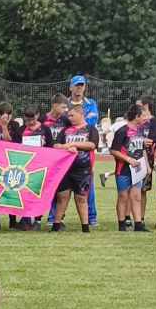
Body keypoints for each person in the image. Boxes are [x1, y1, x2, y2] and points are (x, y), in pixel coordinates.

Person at [49, 102, 96, 232]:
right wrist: (66, 147)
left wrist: (74, 144)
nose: (69, 118)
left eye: (72, 115)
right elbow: (56, 145)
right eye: (68, 116)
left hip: (82, 169)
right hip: (65, 168)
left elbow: (92, 145)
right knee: (62, 196)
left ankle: (85, 227)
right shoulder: (65, 130)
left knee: (81, 197)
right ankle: (56, 225)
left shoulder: (90, 129)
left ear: (81, 114)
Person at [109, 106, 150, 232]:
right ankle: (121, 224)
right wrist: (128, 159)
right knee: (123, 196)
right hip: (123, 170)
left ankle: (138, 224)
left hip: (137, 169)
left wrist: (147, 165)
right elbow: (114, 150)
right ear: (137, 116)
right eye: (143, 116)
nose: (146, 118)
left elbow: (142, 149)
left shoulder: (140, 130)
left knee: (136, 196)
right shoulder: (122, 131)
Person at [67, 75, 101, 226]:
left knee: (88, 183)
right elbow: (64, 122)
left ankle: (91, 217)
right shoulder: (65, 103)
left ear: (85, 87)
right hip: (68, 147)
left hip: (86, 148)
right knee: (62, 184)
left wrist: (76, 121)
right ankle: (55, 218)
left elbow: (91, 122)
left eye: (82, 85)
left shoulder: (91, 103)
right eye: (77, 85)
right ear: (71, 87)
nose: (79, 88)